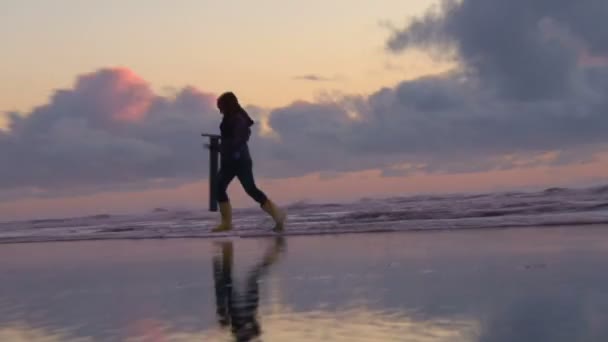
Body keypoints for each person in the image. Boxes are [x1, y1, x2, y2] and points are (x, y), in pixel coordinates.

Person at [210, 92, 286, 232]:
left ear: (228, 105)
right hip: (229, 160)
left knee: (250, 189)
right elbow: (229, 140)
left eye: (220, 106)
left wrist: (222, 148)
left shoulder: (238, 119)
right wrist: (219, 147)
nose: (219, 109)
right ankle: (226, 224)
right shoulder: (229, 118)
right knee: (219, 187)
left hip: (240, 160)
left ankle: (278, 215)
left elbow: (240, 139)